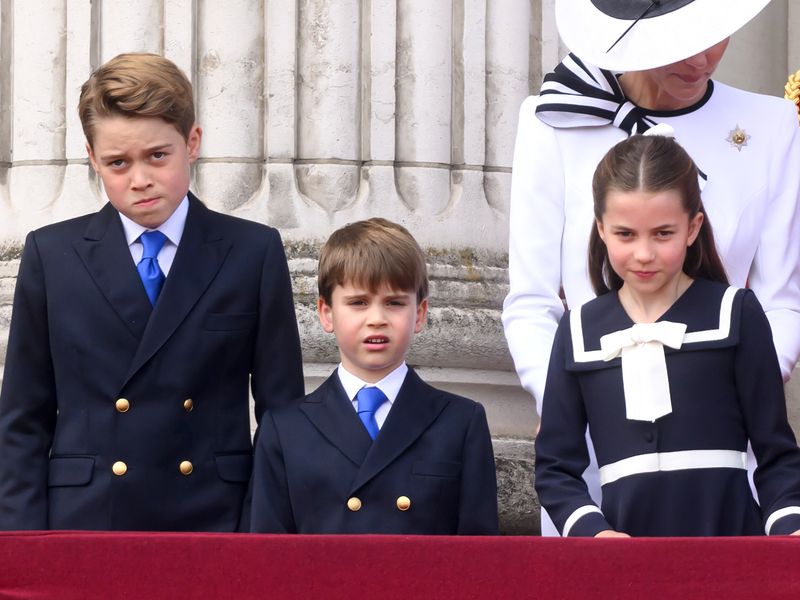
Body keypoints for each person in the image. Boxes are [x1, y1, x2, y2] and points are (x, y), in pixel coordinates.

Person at [501, 0, 800, 535]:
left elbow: (782, 301)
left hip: (723, 456)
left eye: (715, 34)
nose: (704, 58)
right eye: (682, 43)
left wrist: (724, 393)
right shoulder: (553, 120)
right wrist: (581, 400)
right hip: (597, 452)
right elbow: (532, 302)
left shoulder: (771, 125)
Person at [0, 53, 304, 531]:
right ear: (92, 158)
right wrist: (20, 548)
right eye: (118, 163)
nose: (140, 180)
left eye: (157, 156)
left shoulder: (253, 252)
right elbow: (23, 420)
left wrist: (260, 534)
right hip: (85, 520)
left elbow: (282, 418)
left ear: (193, 142)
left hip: (214, 518)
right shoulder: (51, 254)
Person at [534, 131, 800, 537]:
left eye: (663, 233)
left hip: (730, 552)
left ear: (692, 228)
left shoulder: (735, 312)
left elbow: (776, 453)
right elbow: (555, 468)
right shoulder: (577, 330)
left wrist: (787, 532)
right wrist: (593, 533)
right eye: (626, 234)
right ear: (601, 229)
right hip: (624, 566)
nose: (644, 253)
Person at [250, 218, 498, 534]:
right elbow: (268, 561)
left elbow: (478, 560)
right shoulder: (285, 430)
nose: (377, 319)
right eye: (358, 303)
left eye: (394, 303)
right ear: (326, 313)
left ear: (420, 314)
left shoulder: (461, 422)